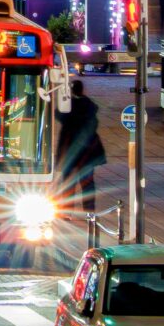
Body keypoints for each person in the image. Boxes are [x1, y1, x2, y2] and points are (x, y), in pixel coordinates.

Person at [58, 83, 107, 228]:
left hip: (70, 152)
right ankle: (89, 211)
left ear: (72, 91)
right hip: (87, 153)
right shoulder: (89, 106)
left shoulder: (68, 107)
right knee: (87, 184)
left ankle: (66, 211)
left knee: (68, 183)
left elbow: (59, 115)